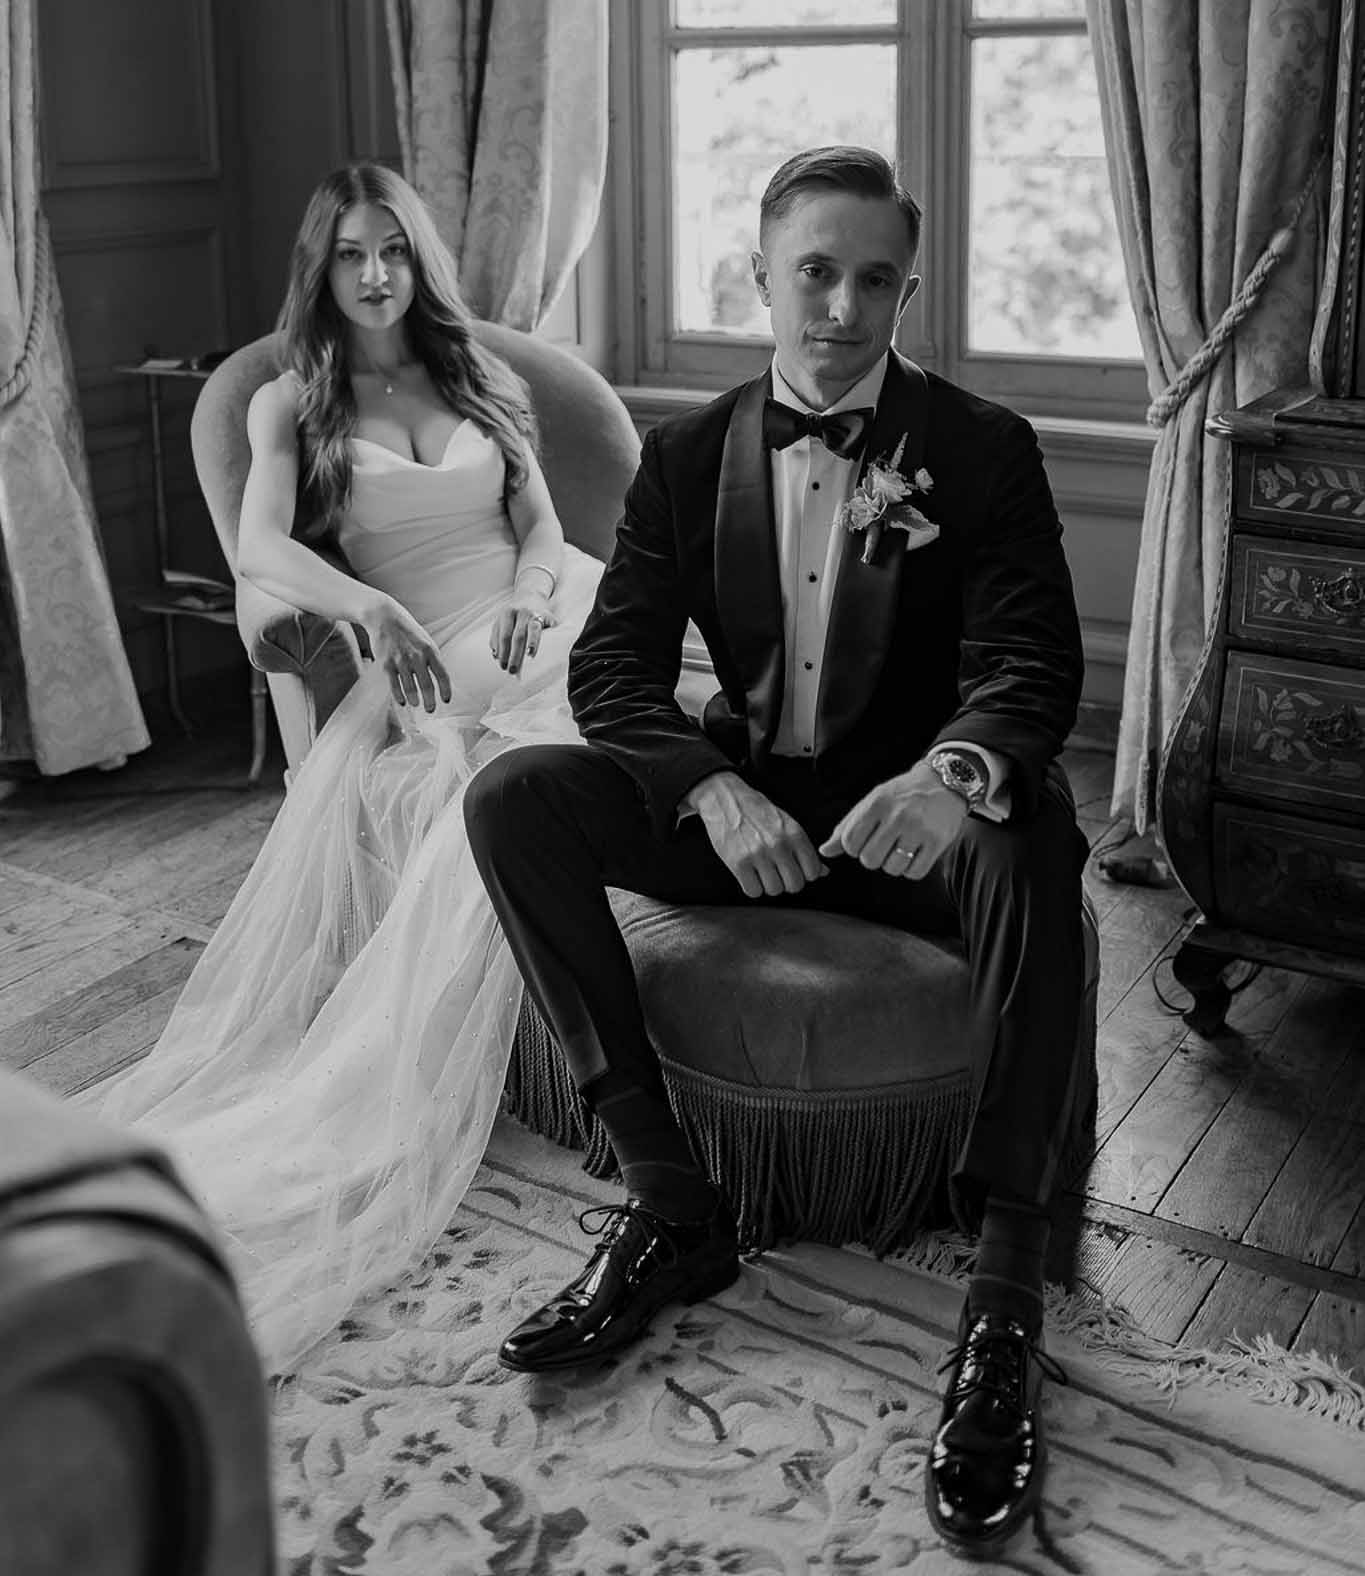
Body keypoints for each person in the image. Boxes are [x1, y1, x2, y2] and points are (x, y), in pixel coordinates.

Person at [463, 144, 1090, 1562]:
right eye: (815, 270)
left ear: (905, 289)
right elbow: (613, 669)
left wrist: (952, 772)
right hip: (750, 815)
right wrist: (703, 792)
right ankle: (671, 1202)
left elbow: (1032, 663)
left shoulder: (981, 448)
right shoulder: (684, 454)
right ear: (761, 274)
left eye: (875, 278)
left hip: (905, 829)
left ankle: (1002, 1297)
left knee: (1036, 827)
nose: (842, 305)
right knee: (514, 802)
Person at [92, 162, 605, 1372]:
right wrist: (371, 607)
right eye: (350, 255)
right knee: (514, 757)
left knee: (648, 673)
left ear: (421, 257)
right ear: (319, 268)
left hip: (539, 606)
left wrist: (538, 591)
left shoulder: (482, 375)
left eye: (394, 251)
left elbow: (537, 523)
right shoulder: (291, 398)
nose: (375, 275)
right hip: (425, 641)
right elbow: (262, 540)